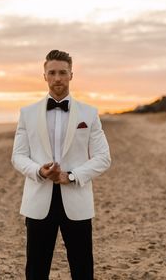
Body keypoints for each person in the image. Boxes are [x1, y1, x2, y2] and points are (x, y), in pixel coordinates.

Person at [11, 50, 111, 280]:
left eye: (63, 73)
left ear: (71, 75)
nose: (58, 78)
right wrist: (38, 170)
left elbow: (103, 157)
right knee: (36, 267)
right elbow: (18, 156)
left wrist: (71, 176)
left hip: (76, 199)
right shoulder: (27, 113)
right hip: (38, 199)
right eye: (52, 73)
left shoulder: (89, 113)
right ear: (44, 76)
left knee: (82, 267)